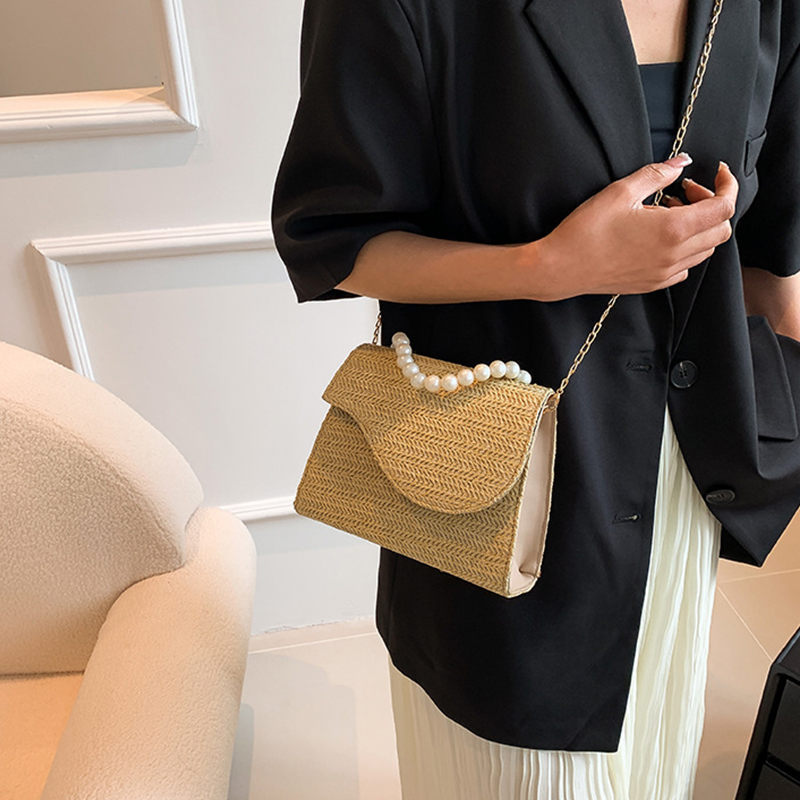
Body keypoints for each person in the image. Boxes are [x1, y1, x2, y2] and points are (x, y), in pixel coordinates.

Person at [272, 0, 800, 797]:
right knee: (513, 761)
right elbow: (332, 240)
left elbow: (772, 250)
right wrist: (549, 266)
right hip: (499, 474)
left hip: (682, 480)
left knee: (652, 750)